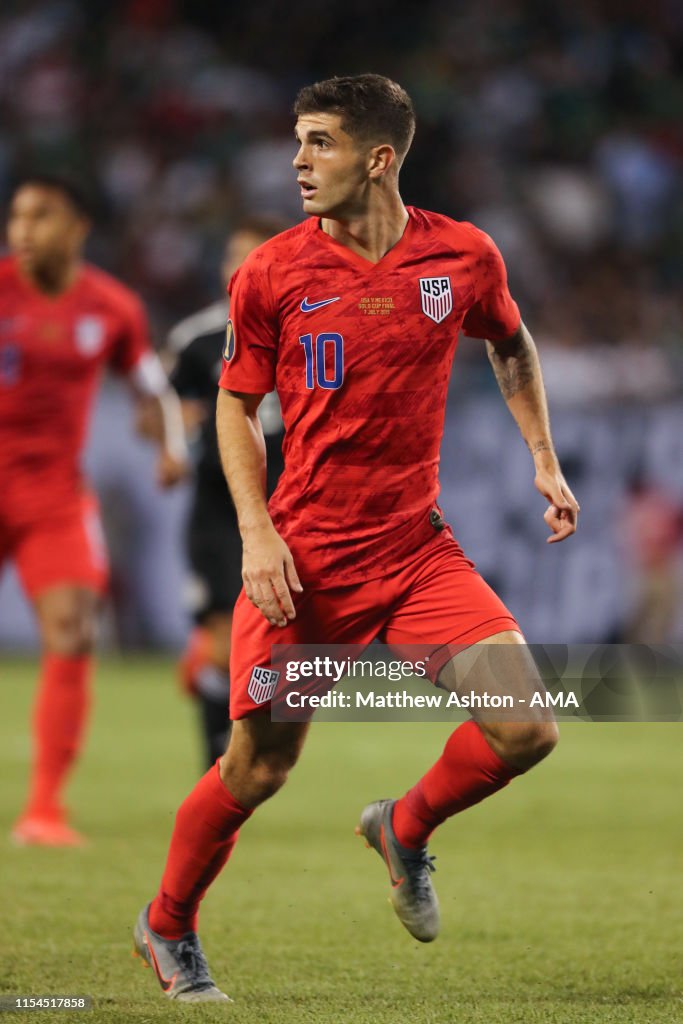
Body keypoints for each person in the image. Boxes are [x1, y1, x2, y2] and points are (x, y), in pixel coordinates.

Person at [133, 74, 579, 1003]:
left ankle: (404, 827)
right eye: (297, 141)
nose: (297, 162)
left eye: (320, 142)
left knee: (527, 725)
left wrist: (543, 453)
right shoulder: (271, 272)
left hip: (416, 550)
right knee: (257, 769)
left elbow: (509, 341)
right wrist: (257, 535)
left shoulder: (462, 256)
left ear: (378, 159)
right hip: (305, 561)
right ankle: (165, 925)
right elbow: (234, 403)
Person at [1, 175, 186, 847]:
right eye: (17, 215)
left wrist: (169, 444)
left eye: (41, 215)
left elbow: (150, 386)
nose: (23, 228)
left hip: (51, 494)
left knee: (75, 630)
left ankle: (44, 810)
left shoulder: (110, 307)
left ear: (78, 226)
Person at [166, 218, 287, 770]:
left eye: (254, 255)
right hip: (220, 509)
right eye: (232, 256)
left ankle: (239, 741)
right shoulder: (196, 341)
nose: (240, 267)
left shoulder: (310, 325)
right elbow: (168, 407)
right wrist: (172, 446)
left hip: (291, 503)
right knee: (225, 643)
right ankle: (218, 765)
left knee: (275, 649)